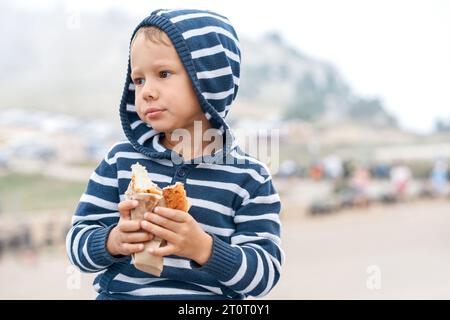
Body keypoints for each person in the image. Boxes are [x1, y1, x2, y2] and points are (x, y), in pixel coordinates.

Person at [66, 9, 284, 300]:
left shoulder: (248, 178)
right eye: (139, 80)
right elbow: (77, 245)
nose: (145, 92)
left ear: (207, 82)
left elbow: (264, 275)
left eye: (163, 74)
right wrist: (112, 240)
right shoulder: (120, 162)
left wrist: (203, 248)